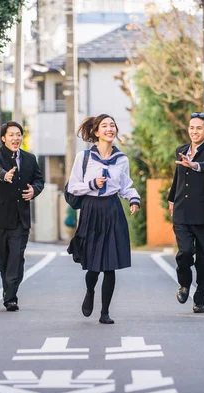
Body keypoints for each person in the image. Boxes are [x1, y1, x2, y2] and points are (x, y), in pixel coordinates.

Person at [66, 114, 140, 324]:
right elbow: (73, 186)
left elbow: (125, 186)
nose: (110, 129)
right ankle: (90, 291)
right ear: (96, 132)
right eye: (105, 126)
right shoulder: (85, 158)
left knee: (110, 264)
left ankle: (105, 312)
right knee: (94, 266)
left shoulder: (122, 159)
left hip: (112, 210)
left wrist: (134, 199)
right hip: (91, 211)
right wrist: (91, 184)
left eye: (113, 125)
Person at [167, 112, 204, 313]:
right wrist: (172, 198)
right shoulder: (180, 150)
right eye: (192, 127)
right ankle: (184, 284)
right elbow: (178, 177)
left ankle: (201, 292)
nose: (194, 131)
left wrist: (195, 165)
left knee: (203, 258)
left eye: (199, 128)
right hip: (182, 212)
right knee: (185, 253)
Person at [0, 121, 44, 311]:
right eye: (11, 135)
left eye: (18, 134)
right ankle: (8, 289)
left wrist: (34, 190)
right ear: (3, 138)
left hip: (20, 218)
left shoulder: (29, 158)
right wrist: (5, 176)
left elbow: (39, 180)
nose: (15, 138)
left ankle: (11, 297)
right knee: (3, 260)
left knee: (16, 259)